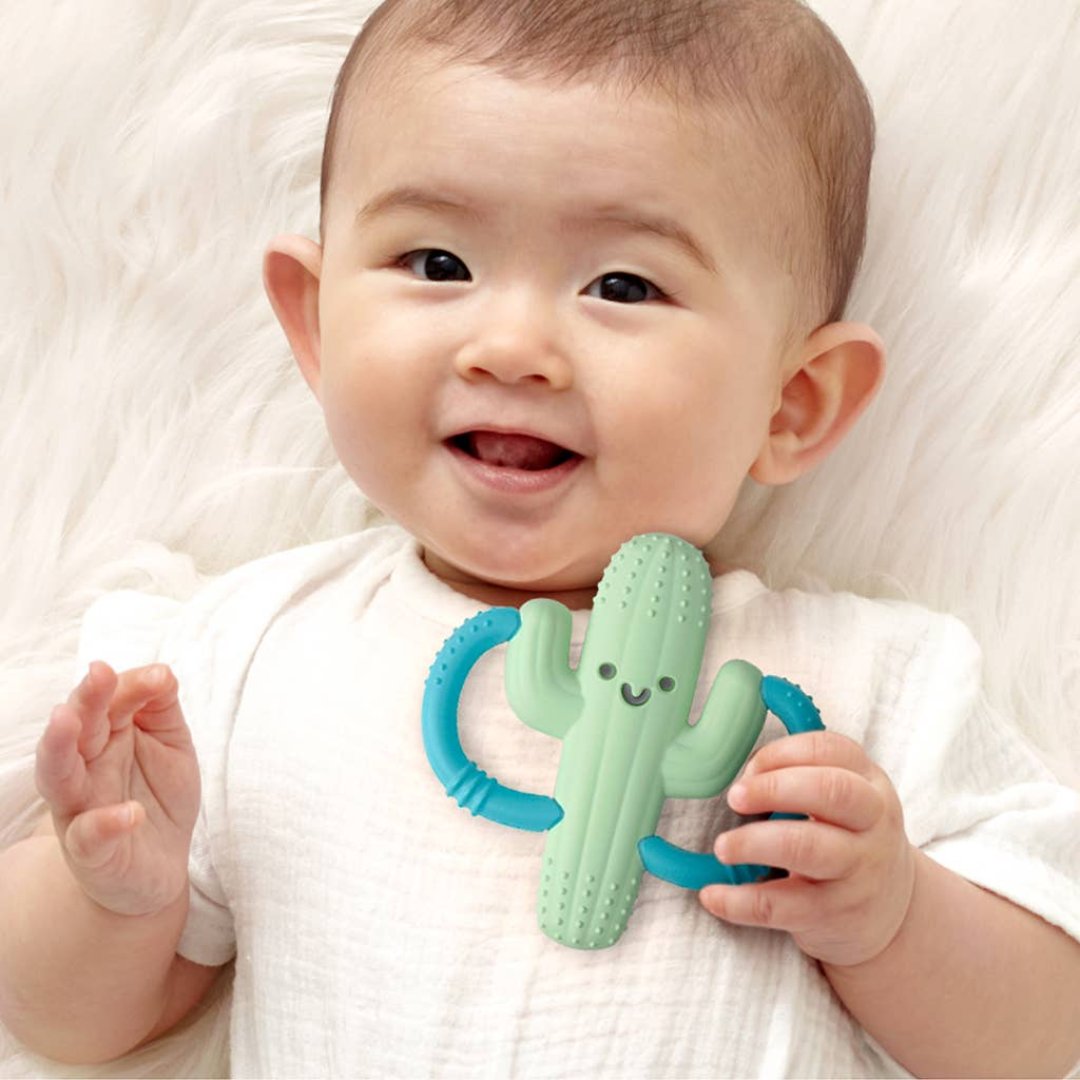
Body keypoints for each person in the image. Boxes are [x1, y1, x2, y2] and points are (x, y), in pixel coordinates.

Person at [2, 0, 1079, 1075]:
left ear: (792, 403)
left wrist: (893, 922)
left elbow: (1044, 1036)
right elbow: (71, 1028)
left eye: (622, 285)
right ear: (317, 322)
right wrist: (110, 898)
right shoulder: (237, 661)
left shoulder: (874, 687)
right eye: (436, 263)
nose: (513, 347)